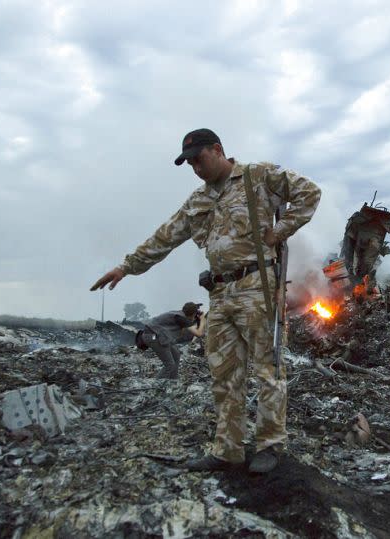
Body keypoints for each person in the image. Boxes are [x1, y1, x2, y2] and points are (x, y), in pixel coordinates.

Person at [90, 128, 321, 474]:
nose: (195, 168)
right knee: (225, 374)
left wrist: (281, 230)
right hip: (220, 294)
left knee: (268, 369)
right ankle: (227, 450)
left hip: (257, 287)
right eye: (190, 164)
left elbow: (309, 193)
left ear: (217, 150)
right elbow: (165, 236)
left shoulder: (258, 177)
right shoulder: (197, 201)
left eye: (199, 159)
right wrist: (126, 267)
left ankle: (270, 444)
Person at [135, 301, 206, 379]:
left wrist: (195, 315)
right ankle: (156, 385)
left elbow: (189, 315)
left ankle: (173, 381)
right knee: (169, 364)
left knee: (176, 354)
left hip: (160, 335)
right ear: (193, 314)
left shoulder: (180, 314)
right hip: (153, 337)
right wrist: (202, 320)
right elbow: (199, 334)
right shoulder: (182, 319)